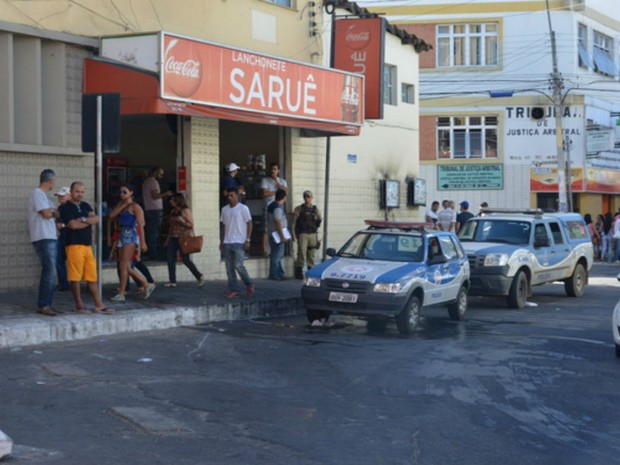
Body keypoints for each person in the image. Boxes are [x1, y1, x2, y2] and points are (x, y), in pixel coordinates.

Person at [59, 181, 113, 314]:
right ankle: (79, 304)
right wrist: (88, 221)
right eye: (77, 191)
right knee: (75, 278)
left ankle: (98, 305)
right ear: (71, 192)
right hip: (73, 245)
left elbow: (97, 218)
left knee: (92, 277)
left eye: (82, 192)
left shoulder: (85, 205)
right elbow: (72, 225)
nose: (80, 194)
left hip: (87, 246)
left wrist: (82, 220)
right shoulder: (65, 207)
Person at [108, 183, 156, 302]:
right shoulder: (121, 204)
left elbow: (141, 225)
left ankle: (123, 292)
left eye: (125, 192)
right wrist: (123, 204)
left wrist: (143, 242)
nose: (122, 194)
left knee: (124, 264)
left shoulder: (135, 207)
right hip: (121, 234)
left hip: (131, 235)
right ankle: (144, 284)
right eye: (121, 192)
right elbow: (111, 215)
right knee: (123, 265)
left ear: (131, 193)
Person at [28, 169, 60, 316]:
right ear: (50, 181)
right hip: (43, 237)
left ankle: (48, 304)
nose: (54, 184)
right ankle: (43, 304)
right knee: (50, 271)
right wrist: (52, 211)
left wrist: (52, 211)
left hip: (50, 236)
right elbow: (47, 213)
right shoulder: (37, 193)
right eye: (53, 181)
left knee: (51, 271)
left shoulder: (45, 197)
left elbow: (55, 213)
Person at [164, 193, 205, 288]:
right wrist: (168, 239)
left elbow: (191, 225)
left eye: (173, 200)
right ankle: (172, 281)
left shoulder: (185, 211)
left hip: (183, 238)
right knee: (170, 259)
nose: (171, 202)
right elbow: (171, 227)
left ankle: (199, 276)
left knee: (186, 260)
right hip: (174, 237)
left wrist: (182, 220)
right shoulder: (173, 211)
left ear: (178, 200)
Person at [220, 187, 254, 299]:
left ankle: (248, 283)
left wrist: (248, 239)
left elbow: (249, 224)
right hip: (228, 241)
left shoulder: (243, 208)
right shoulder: (224, 209)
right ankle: (234, 289)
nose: (230, 198)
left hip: (240, 241)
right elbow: (224, 226)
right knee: (229, 267)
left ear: (237, 196)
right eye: (228, 196)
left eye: (232, 195)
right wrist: (222, 241)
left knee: (238, 265)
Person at [142, 166, 172, 259]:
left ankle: (151, 252)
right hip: (155, 210)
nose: (161, 176)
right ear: (155, 173)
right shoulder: (153, 182)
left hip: (149, 208)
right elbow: (155, 196)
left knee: (151, 231)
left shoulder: (146, 181)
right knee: (154, 232)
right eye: (160, 174)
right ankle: (153, 253)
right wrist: (166, 194)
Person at [293, 190, 322, 279]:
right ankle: (299, 272)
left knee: (311, 254)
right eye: (305, 196)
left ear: (312, 198)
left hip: (312, 234)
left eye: (308, 196)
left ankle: (311, 272)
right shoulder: (299, 208)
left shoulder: (315, 209)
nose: (306, 198)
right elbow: (294, 222)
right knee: (301, 253)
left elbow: (319, 220)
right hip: (303, 234)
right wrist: (294, 234)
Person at [261, 162, 288, 253]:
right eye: (272, 169)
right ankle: (266, 251)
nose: (273, 171)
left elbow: (285, 192)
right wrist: (278, 193)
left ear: (278, 171)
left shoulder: (282, 181)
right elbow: (265, 193)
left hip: (279, 207)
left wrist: (277, 182)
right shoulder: (265, 180)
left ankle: (279, 243)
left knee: (279, 225)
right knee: (267, 229)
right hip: (268, 206)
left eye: (275, 169)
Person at [267, 189, 290, 280]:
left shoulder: (271, 205)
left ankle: (280, 273)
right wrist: (282, 236)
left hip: (272, 233)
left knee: (275, 254)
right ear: (284, 197)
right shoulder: (277, 207)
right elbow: (277, 221)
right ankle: (274, 274)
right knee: (277, 256)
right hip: (277, 235)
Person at [54, 186, 71, 292]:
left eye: (62, 196)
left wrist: (63, 225)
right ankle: (63, 284)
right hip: (63, 237)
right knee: (58, 259)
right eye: (59, 196)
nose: (60, 198)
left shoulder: (73, 207)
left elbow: (75, 222)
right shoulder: (60, 208)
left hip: (72, 238)